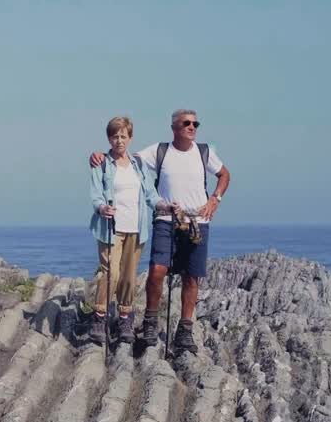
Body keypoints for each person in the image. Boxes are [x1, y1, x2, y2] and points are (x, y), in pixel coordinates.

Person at [90, 108, 230, 356]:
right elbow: (125, 158)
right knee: (156, 271)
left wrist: (215, 200)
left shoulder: (204, 152)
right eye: (187, 123)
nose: (192, 127)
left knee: (191, 276)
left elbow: (224, 174)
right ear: (174, 127)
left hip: (198, 222)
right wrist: (100, 156)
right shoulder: (159, 151)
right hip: (165, 220)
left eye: (195, 124)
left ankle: (185, 330)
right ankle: (149, 323)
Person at [85, 116, 161, 345]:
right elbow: (96, 193)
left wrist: (164, 205)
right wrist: (101, 207)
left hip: (136, 228)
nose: (119, 141)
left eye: (123, 136)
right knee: (111, 273)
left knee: (129, 275)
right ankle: (100, 316)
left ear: (130, 138)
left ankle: (125, 317)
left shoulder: (139, 164)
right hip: (111, 228)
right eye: (114, 136)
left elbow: (150, 194)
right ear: (109, 138)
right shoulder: (103, 163)